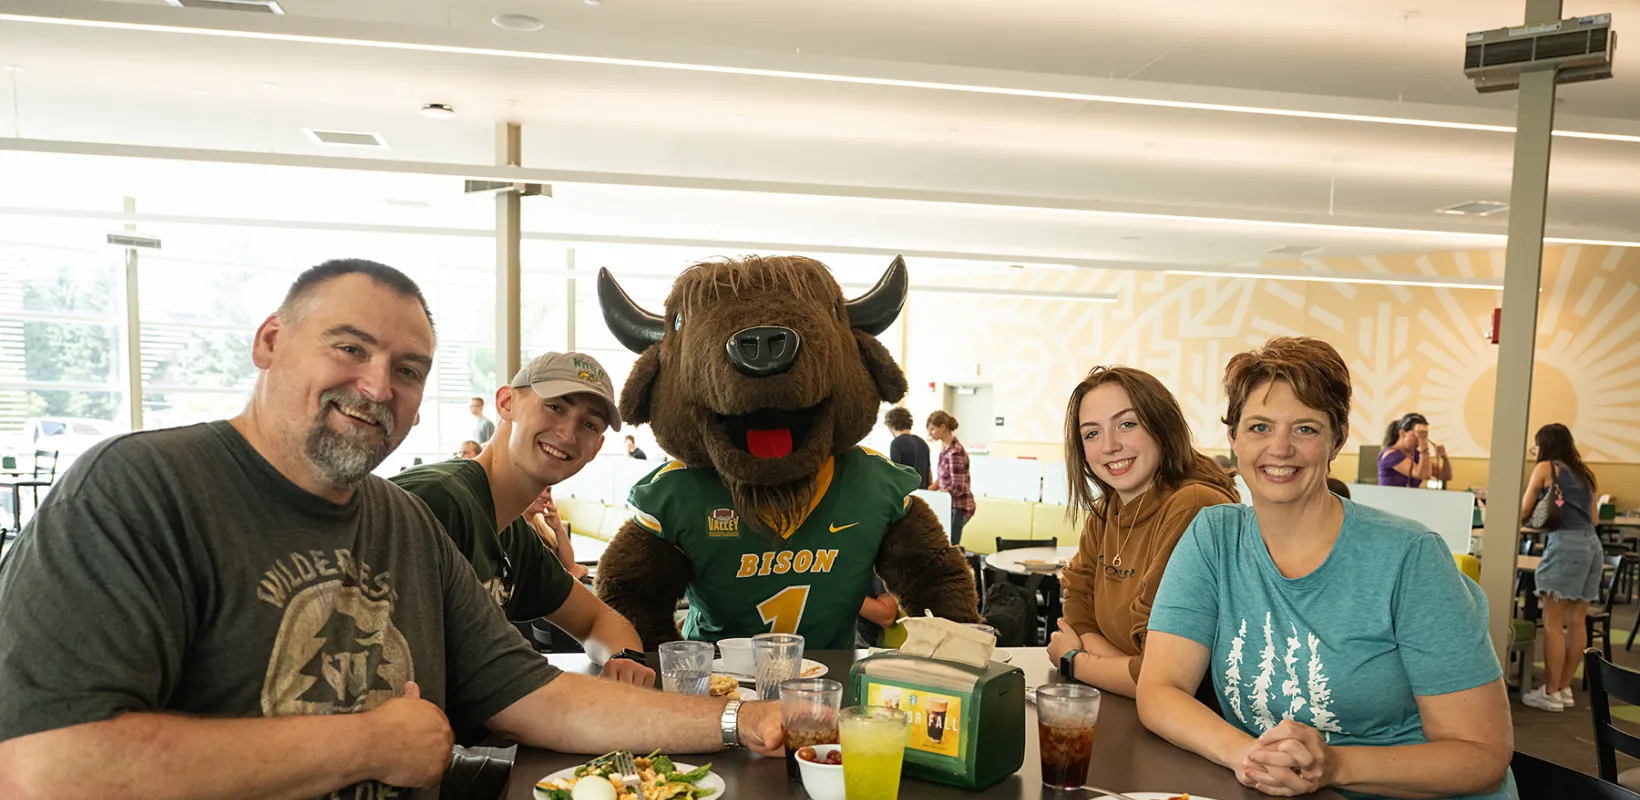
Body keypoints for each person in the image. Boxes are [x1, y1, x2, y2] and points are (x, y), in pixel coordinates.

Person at [0, 260, 783, 799]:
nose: (377, 385)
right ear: (270, 342)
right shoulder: (140, 489)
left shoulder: (401, 521)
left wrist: (743, 719)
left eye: (407, 370)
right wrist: (370, 745)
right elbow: (46, 769)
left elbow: (541, 697)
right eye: (350, 348)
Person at [1138, 336, 1514, 800]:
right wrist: (1247, 757)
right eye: (1259, 427)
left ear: (1337, 439)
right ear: (1233, 438)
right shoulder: (1214, 537)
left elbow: (1482, 757)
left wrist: (1333, 766)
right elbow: (1159, 690)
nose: (1280, 448)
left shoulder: (1409, 556)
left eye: (1305, 429)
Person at [392, 351, 653, 686]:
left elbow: (598, 619)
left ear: (595, 449)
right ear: (506, 403)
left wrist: (624, 660)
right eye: (555, 407)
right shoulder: (438, 501)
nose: (568, 433)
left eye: (589, 425)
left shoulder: (514, 536)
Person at [1049, 366, 1239, 698]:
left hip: (1192, 723)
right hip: (1121, 704)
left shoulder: (1194, 505)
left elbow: (1161, 677)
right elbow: (1076, 601)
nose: (1109, 446)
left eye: (1127, 424)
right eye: (1091, 433)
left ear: (1162, 427)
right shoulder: (1107, 509)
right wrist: (1125, 669)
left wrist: (1076, 659)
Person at [1519, 423, 1602, 712]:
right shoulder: (1585, 474)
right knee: (1577, 621)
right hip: (1593, 547)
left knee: (1554, 624)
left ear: (1544, 445)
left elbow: (1524, 510)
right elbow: (1593, 519)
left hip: (1565, 545)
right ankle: (1564, 687)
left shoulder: (1546, 468)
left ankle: (1551, 692)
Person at [927, 410, 975, 546]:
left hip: (958, 507)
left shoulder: (955, 452)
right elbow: (943, 479)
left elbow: (957, 488)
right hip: (949, 505)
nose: (930, 433)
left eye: (932, 429)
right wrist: (928, 491)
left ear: (943, 427)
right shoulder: (945, 448)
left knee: (951, 545)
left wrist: (939, 495)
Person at [524, 486, 589, 581]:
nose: (545, 495)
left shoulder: (541, 527)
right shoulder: (516, 529)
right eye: (540, 488)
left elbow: (569, 565)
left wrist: (558, 529)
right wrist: (572, 578)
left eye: (548, 490)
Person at [1377, 413, 1450, 488]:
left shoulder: (1417, 455)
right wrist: (1423, 443)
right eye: (1416, 436)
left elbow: (1445, 476)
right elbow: (1423, 475)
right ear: (1402, 433)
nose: (1419, 440)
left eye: (1424, 436)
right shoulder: (1390, 454)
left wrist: (1444, 458)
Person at [884, 406, 931, 489]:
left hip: (906, 495)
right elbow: (929, 474)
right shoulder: (922, 443)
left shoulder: (897, 443)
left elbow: (894, 474)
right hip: (922, 495)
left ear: (890, 425)